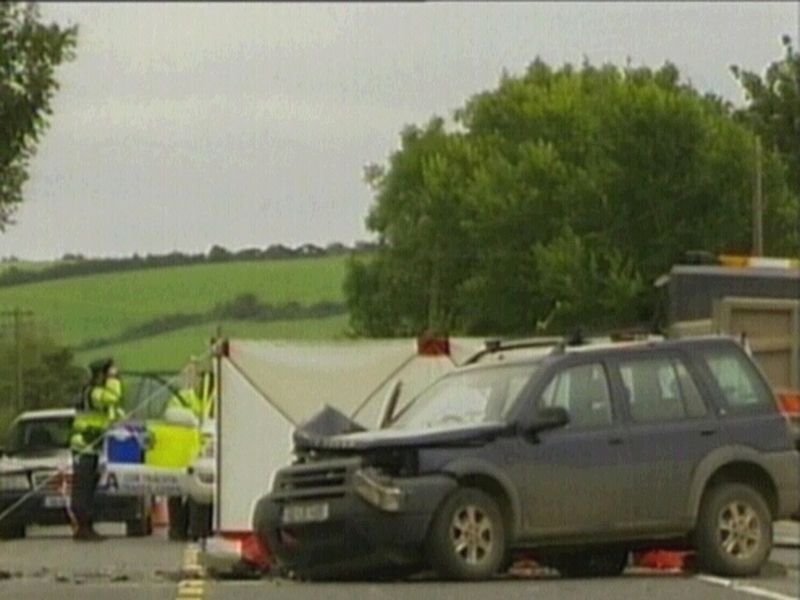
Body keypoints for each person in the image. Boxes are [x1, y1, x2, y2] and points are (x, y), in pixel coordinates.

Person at [69, 357, 125, 542]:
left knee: (88, 488)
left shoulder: (92, 392)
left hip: (91, 446)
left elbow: (114, 410)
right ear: (101, 375)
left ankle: (85, 527)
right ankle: (83, 528)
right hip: (84, 445)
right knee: (83, 489)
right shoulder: (94, 393)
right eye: (108, 373)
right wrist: (114, 380)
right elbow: (113, 397)